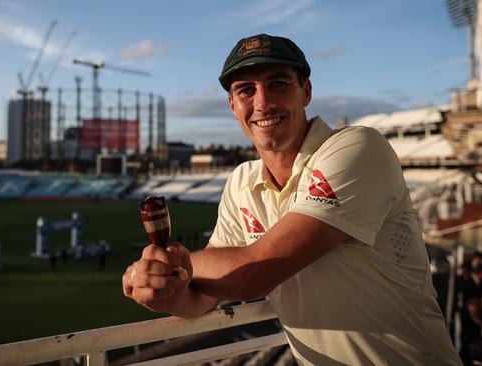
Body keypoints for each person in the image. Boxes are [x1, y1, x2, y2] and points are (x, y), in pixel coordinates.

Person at [122, 33, 461, 365]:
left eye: (278, 84)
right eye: (245, 90)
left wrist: (175, 264)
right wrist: (164, 289)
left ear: (306, 91)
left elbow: (253, 274)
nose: (262, 102)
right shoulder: (241, 181)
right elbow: (205, 296)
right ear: (233, 105)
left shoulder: (359, 148)